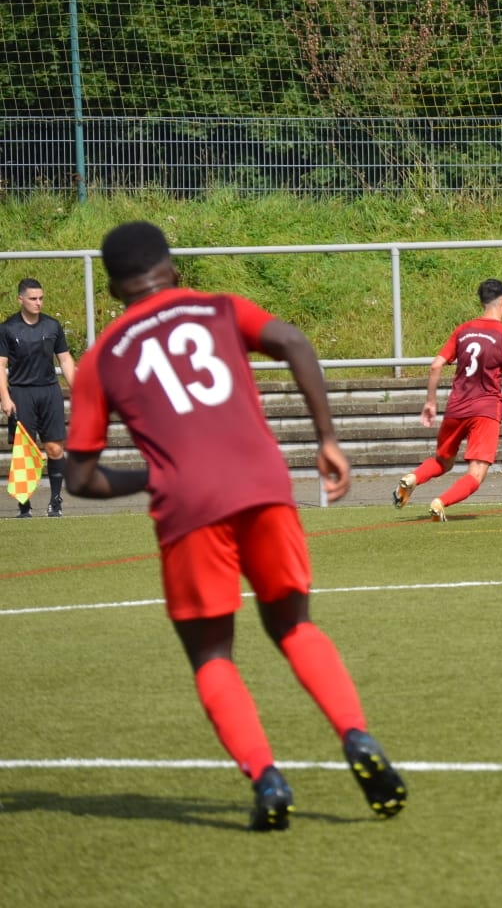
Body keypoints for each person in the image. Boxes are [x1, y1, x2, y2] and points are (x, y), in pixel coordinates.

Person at [64, 221, 408, 831]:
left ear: (113, 289)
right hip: (263, 484)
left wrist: (155, 475)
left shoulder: (101, 359)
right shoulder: (219, 308)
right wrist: (327, 439)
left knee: (212, 653)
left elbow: (80, 478)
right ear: (173, 269)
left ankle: (266, 777)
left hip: (188, 507)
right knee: (294, 625)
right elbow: (294, 342)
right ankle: (355, 735)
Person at [392, 278, 502, 521]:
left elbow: (436, 365)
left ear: (482, 303)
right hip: (486, 410)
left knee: (443, 461)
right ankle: (440, 502)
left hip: (456, 407)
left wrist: (430, 402)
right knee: (476, 473)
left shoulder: (463, 330)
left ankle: (413, 477)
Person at [1, 278, 77, 518]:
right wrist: (5, 398)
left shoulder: (52, 326)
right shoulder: (8, 328)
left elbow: (65, 359)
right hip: (22, 393)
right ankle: (24, 505)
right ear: (20, 299)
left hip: (49, 392)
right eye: (33, 298)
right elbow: (0, 365)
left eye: (41, 298)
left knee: (55, 448)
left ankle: (55, 502)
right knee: (24, 451)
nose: (38, 303)